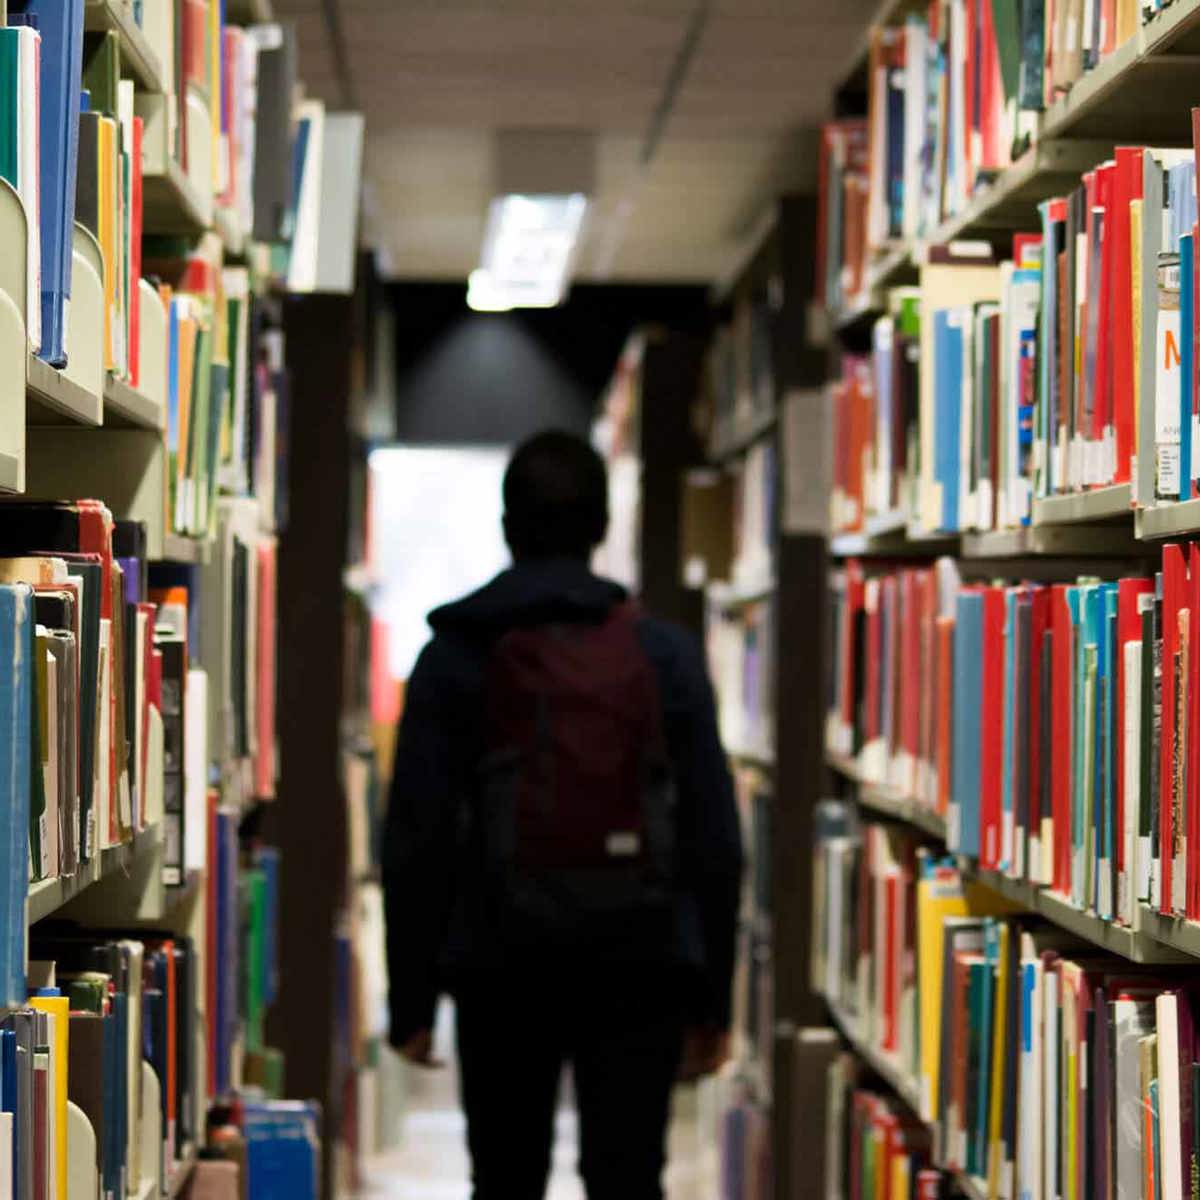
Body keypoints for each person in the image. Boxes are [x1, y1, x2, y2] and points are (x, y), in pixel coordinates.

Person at [382, 429, 743, 1200]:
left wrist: (411, 998)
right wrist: (712, 998)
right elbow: (714, 832)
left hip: (498, 962)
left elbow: (417, 835)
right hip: (638, 960)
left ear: (508, 526)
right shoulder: (664, 654)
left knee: (506, 1177)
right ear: (602, 527)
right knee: (627, 1177)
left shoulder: (454, 654)